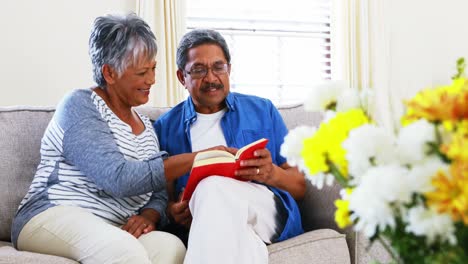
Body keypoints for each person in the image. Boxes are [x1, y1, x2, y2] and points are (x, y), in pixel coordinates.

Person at [11, 13, 198, 264]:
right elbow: (117, 177)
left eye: (153, 68)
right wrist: (195, 159)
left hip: (115, 226)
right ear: (109, 73)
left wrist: (150, 215)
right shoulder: (79, 106)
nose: (152, 80)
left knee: (171, 248)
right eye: (142, 72)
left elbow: (158, 192)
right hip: (52, 213)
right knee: (123, 251)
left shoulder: (147, 126)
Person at [154, 29, 305, 264]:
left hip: (267, 213)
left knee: (211, 187)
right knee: (234, 230)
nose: (211, 78)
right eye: (199, 70)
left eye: (218, 67)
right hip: (209, 221)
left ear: (229, 69)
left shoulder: (262, 110)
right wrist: (173, 212)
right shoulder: (166, 127)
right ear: (181, 77)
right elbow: (164, 199)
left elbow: (299, 187)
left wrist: (271, 173)